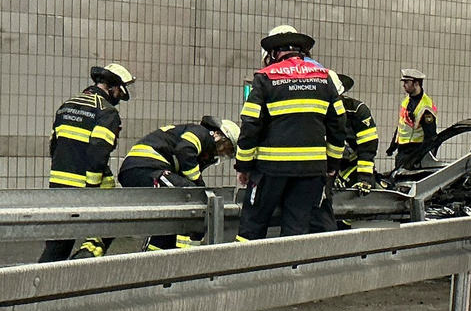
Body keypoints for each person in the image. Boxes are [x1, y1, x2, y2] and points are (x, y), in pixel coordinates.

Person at [234, 25, 346, 240]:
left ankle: (244, 272)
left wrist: (244, 166)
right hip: (311, 170)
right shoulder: (324, 78)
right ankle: (290, 271)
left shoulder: (266, 77)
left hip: (271, 169)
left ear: (274, 53)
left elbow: (250, 123)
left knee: (252, 226)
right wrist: (332, 164)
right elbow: (338, 124)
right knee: (296, 231)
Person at [39, 63, 136, 262]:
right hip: (84, 185)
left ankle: (43, 284)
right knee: (111, 223)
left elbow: (53, 145)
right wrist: (92, 188)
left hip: (58, 182)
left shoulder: (67, 104)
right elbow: (98, 152)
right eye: (120, 89)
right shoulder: (107, 112)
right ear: (114, 87)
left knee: (59, 243)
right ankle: (83, 262)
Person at [117, 116, 239, 250]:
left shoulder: (204, 145)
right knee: (190, 196)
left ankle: (158, 256)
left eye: (228, 153)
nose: (223, 152)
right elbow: (184, 150)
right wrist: (197, 183)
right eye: (226, 146)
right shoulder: (201, 133)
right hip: (145, 166)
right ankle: (182, 253)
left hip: (145, 168)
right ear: (218, 134)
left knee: (169, 218)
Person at [309, 72, 380, 233]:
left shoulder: (358, 111)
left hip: (354, 166)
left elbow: (367, 148)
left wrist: (364, 178)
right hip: (327, 166)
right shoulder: (319, 110)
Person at [386, 68, 437, 170]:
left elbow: (430, 135)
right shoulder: (406, 101)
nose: (404, 85)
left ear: (416, 83)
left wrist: (424, 156)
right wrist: (393, 145)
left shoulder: (426, 106)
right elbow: (401, 124)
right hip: (402, 149)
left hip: (415, 150)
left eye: (406, 82)